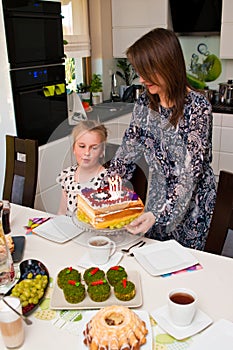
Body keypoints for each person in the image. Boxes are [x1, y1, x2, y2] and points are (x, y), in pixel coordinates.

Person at [104, 28, 216, 250]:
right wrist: (104, 187)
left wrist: (158, 213)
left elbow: (189, 175)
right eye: (140, 71)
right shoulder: (145, 105)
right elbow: (127, 152)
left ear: (168, 65)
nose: (142, 79)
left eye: (148, 71)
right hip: (156, 197)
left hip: (192, 207)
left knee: (183, 268)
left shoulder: (198, 108)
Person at [57, 120, 108, 216]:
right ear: (74, 149)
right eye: (82, 146)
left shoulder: (107, 179)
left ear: (102, 152)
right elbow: (61, 212)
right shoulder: (67, 176)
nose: (87, 152)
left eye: (94, 148)